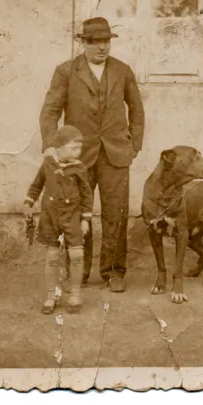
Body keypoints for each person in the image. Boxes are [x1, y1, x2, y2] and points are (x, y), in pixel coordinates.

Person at [39, 17, 145, 292]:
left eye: (106, 42)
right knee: (75, 213)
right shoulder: (65, 71)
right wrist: (51, 145)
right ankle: (79, 272)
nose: (102, 48)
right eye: (96, 42)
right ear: (83, 43)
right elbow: (50, 111)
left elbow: (137, 110)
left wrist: (134, 146)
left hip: (116, 155)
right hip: (77, 157)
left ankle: (114, 272)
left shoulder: (123, 71)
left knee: (116, 214)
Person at [23, 125, 93, 314]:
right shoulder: (48, 164)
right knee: (52, 257)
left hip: (73, 217)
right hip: (51, 217)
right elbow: (36, 186)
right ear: (59, 147)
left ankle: (75, 294)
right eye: (73, 148)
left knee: (77, 256)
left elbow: (87, 194)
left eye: (80, 148)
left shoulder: (79, 168)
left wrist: (85, 219)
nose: (78, 152)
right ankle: (50, 296)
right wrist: (28, 204)